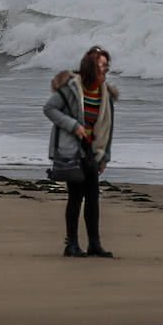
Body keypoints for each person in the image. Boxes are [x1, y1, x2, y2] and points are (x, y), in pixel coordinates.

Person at [43, 45, 118, 258]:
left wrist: (105, 157)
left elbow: (109, 127)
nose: (105, 69)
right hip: (73, 150)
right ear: (90, 68)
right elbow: (49, 108)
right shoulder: (71, 89)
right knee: (76, 196)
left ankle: (95, 244)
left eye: (106, 65)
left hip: (93, 150)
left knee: (93, 197)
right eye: (102, 65)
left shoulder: (107, 94)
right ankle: (71, 244)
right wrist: (73, 125)